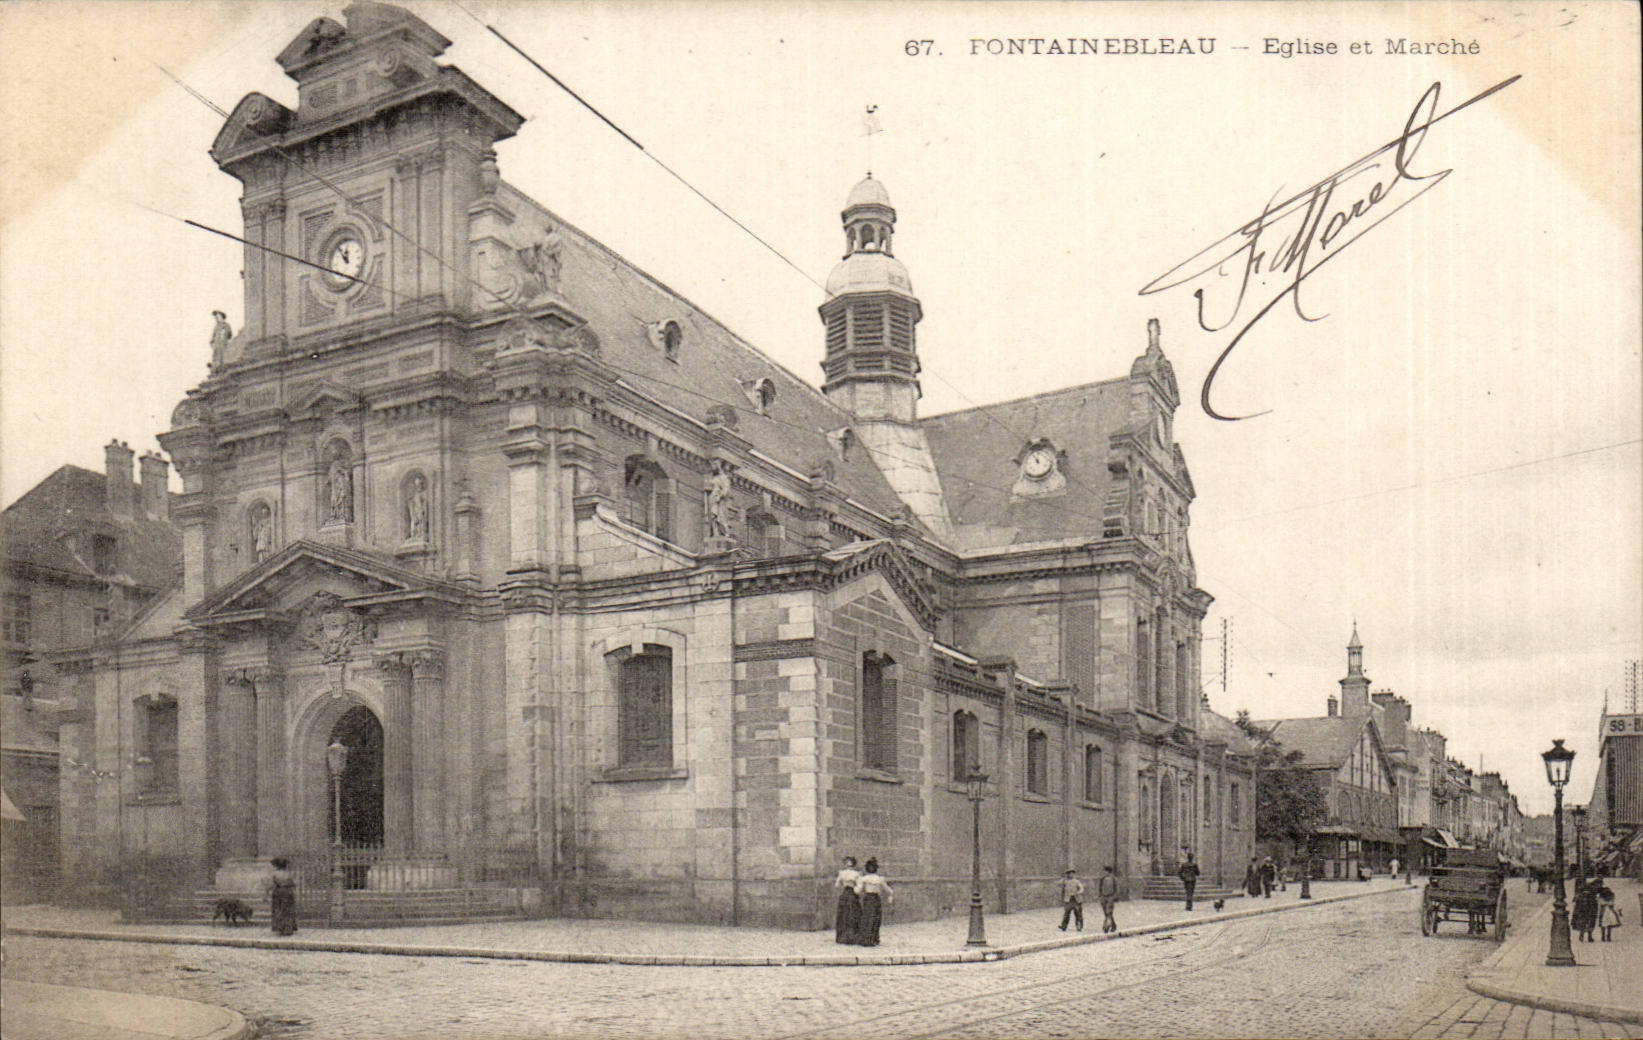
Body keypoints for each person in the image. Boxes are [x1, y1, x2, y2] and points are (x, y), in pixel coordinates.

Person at [854, 858, 893, 947]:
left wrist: (855, 885)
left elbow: (858, 891)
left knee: (867, 918)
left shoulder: (864, 879)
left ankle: (866, 938)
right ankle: (873, 938)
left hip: (869, 899)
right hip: (875, 899)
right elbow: (889, 890)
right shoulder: (879, 879)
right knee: (875, 918)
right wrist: (890, 896)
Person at [833, 855, 862, 945]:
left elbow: (837, 885)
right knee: (852, 913)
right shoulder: (856, 874)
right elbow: (859, 887)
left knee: (844, 914)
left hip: (845, 894)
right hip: (852, 893)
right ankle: (852, 936)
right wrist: (856, 890)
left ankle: (843, 937)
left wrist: (843, 884)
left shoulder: (842, 873)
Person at [266, 857, 298, 936]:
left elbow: (271, 885)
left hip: (278, 892)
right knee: (288, 910)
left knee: (279, 909)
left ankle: (280, 927)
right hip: (288, 892)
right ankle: (288, 928)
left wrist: (266, 893)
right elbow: (294, 884)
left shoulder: (274, 874)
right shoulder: (289, 874)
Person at [1572, 877, 1599, 943]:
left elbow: (1576, 903)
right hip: (1590, 910)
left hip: (1583, 910)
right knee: (1590, 922)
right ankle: (1589, 936)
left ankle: (1582, 935)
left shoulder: (1581, 896)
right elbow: (1595, 904)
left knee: (1583, 922)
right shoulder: (1592, 896)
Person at [1097, 866, 1120, 934]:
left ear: (1108, 872)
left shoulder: (1114, 879)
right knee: (1106, 912)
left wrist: (1115, 896)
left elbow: (1117, 888)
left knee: (1108, 912)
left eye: (1105, 871)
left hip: (1110, 897)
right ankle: (1113, 925)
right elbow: (1100, 887)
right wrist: (1100, 895)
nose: (1104, 873)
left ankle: (1106, 926)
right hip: (1104, 897)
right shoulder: (1102, 879)